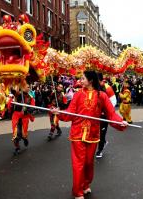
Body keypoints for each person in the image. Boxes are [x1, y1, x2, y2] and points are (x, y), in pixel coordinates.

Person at [50, 70, 128, 199]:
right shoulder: (78, 94)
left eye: (83, 78)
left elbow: (111, 114)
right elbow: (71, 112)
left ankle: (85, 185)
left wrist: (121, 122)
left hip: (92, 134)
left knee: (88, 163)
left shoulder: (102, 95)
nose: (80, 80)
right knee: (78, 163)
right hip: (77, 133)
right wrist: (59, 113)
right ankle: (77, 191)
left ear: (90, 80)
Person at [8, 84, 35, 154]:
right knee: (16, 134)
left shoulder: (31, 98)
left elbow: (33, 108)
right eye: (26, 87)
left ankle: (25, 138)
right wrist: (10, 84)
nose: (28, 88)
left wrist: (27, 109)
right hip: (16, 116)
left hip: (25, 117)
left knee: (23, 134)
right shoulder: (18, 94)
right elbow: (13, 91)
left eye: (29, 87)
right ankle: (17, 148)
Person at [96, 73, 117, 159]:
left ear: (100, 80)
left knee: (102, 133)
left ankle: (100, 150)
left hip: (104, 115)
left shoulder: (108, 88)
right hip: (95, 115)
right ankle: (103, 142)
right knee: (96, 132)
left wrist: (105, 111)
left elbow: (114, 101)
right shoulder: (94, 88)